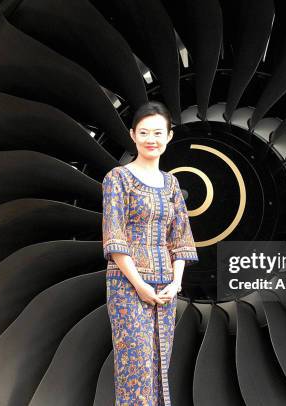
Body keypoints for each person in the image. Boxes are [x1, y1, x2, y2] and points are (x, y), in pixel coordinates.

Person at [102, 101, 199, 405]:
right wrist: (140, 286)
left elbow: (181, 237)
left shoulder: (172, 183)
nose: (151, 139)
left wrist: (176, 283)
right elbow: (114, 238)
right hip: (128, 285)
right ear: (133, 135)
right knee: (137, 366)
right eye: (144, 132)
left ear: (169, 136)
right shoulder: (117, 178)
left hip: (166, 287)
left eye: (158, 133)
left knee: (159, 366)